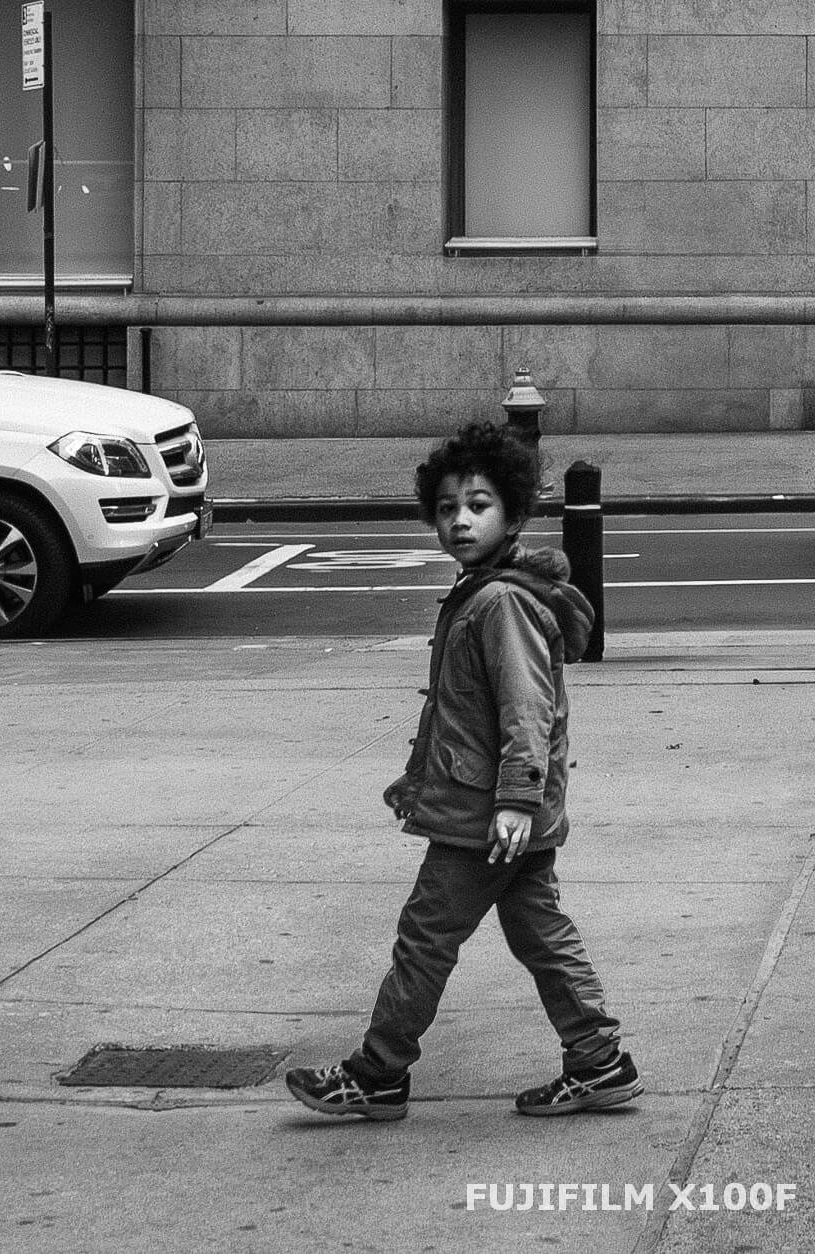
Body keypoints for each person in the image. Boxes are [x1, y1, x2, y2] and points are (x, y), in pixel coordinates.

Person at [284, 422, 636, 1122]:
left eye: (478, 505)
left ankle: (378, 1072)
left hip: (487, 816)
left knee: (425, 937)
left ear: (510, 512)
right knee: (539, 931)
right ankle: (599, 1061)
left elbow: (526, 712)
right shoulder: (484, 590)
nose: (461, 520)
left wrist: (513, 802)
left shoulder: (500, 602)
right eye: (448, 508)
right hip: (498, 808)